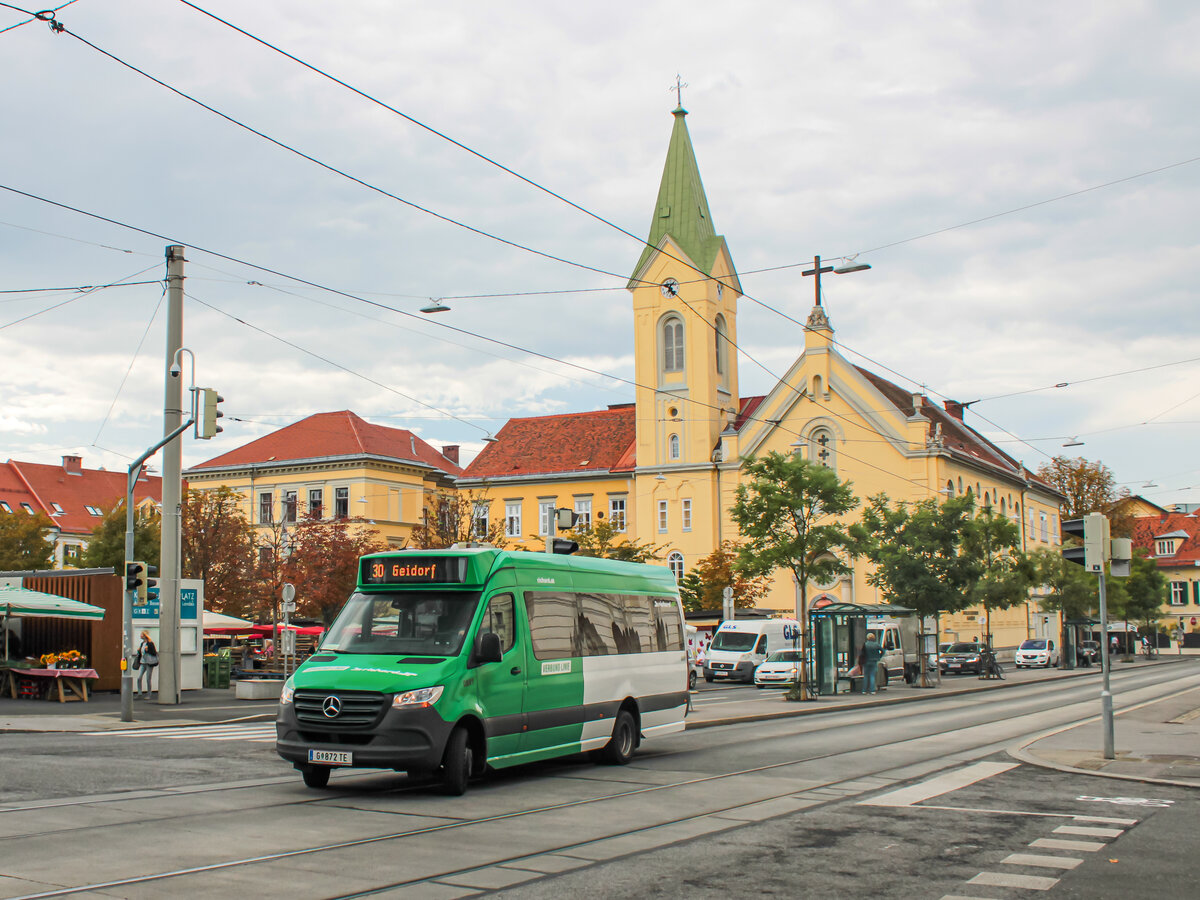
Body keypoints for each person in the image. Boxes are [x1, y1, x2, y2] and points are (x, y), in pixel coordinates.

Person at [135, 630, 159, 698]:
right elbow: (141, 653)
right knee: (139, 677)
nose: (140, 636)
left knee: (148, 678)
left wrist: (147, 650)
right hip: (143, 662)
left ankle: (149, 693)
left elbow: (154, 652)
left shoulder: (150, 643)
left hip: (149, 662)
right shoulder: (142, 643)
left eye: (142, 634)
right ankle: (139, 693)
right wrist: (139, 651)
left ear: (145, 635)